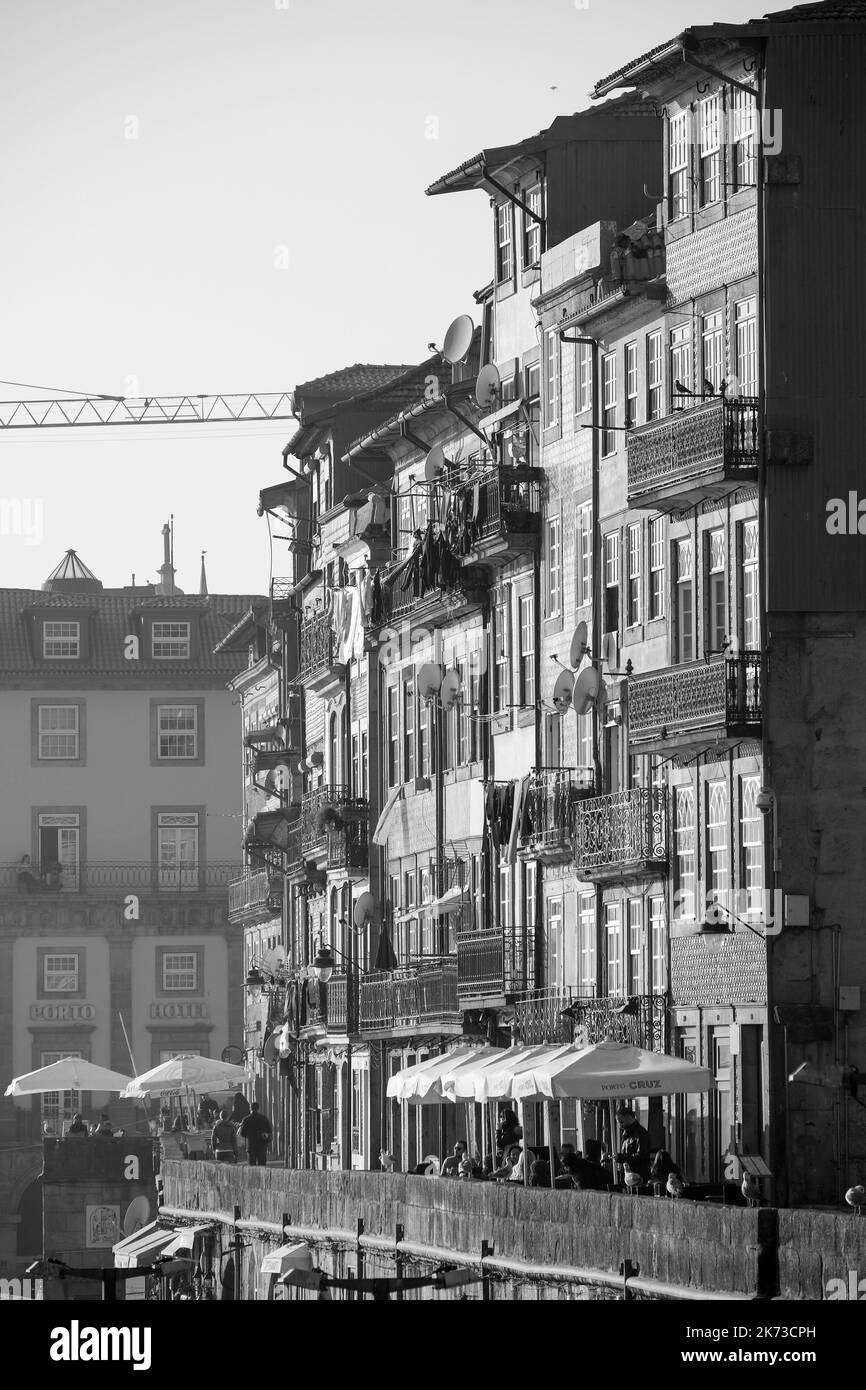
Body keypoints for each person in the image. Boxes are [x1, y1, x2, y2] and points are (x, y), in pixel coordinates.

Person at [615, 1106, 651, 1183]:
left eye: (621, 1122)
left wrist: (621, 1158)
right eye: (618, 1123)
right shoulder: (626, 1133)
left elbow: (641, 1156)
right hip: (629, 1176)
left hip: (638, 1177)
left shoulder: (640, 1133)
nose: (620, 1126)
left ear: (629, 1118)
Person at [239, 1102, 272, 1167]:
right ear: (258, 1108)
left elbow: (243, 1133)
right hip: (262, 1144)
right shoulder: (264, 1118)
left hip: (251, 1145)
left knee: (252, 1166)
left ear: (250, 1108)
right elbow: (269, 1131)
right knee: (262, 1165)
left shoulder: (246, 1119)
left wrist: (249, 1135)